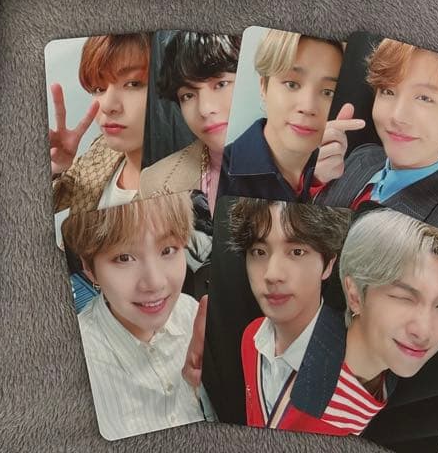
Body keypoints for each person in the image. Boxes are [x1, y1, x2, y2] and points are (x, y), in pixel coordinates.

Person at [269, 208, 438, 436]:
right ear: (355, 296)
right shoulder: (299, 387)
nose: (424, 331)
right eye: (404, 298)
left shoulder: (387, 374)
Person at [62, 193, 213, 440]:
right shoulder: (78, 361)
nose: (155, 282)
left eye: (168, 250)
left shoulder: (191, 314)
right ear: (89, 268)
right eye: (124, 258)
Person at [314, 39, 438, 231]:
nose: (397, 116)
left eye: (424, 98)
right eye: (388, 91)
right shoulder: (363, 155)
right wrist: (317, 182)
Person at [230, 200, 351, 427]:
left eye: (297, 252)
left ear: (327, 265)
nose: (272, 274)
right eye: (259, 252)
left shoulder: (351, 363)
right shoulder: (251, 337)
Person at [218, 31, 356, 201]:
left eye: (328, 92)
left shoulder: (342, 173)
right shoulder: (217, 176)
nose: (308, 107)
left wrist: (317, 183)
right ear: (264, 86)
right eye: (292, 84)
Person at [139, 32, 241, 214]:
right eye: (188, 95)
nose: (204, 109)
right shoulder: (153, 182)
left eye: (221, 84)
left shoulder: (296, 170)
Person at [50, 33, 151, 215]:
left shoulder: (197, 180)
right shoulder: (101, 149)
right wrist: (55, 169)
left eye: (133, 84)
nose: (107, 105)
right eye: (98, 89)